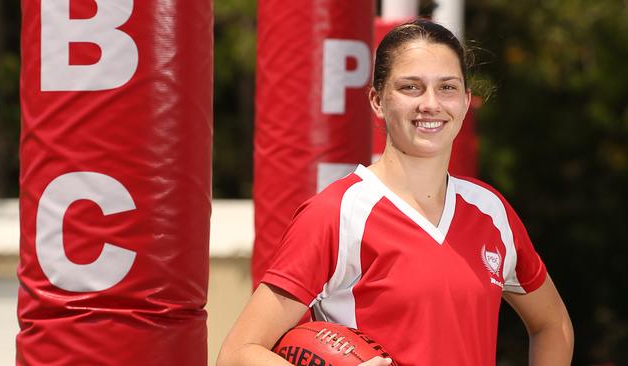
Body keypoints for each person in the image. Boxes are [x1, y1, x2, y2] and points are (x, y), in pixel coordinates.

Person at [217, 19, 574, 366]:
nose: (430, 103)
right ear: (377, 100)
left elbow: (552, 325)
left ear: (466, 101)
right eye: (411, 87)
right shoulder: (338, 213)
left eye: (447, 87)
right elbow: (237, 353)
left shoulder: (491, 210)